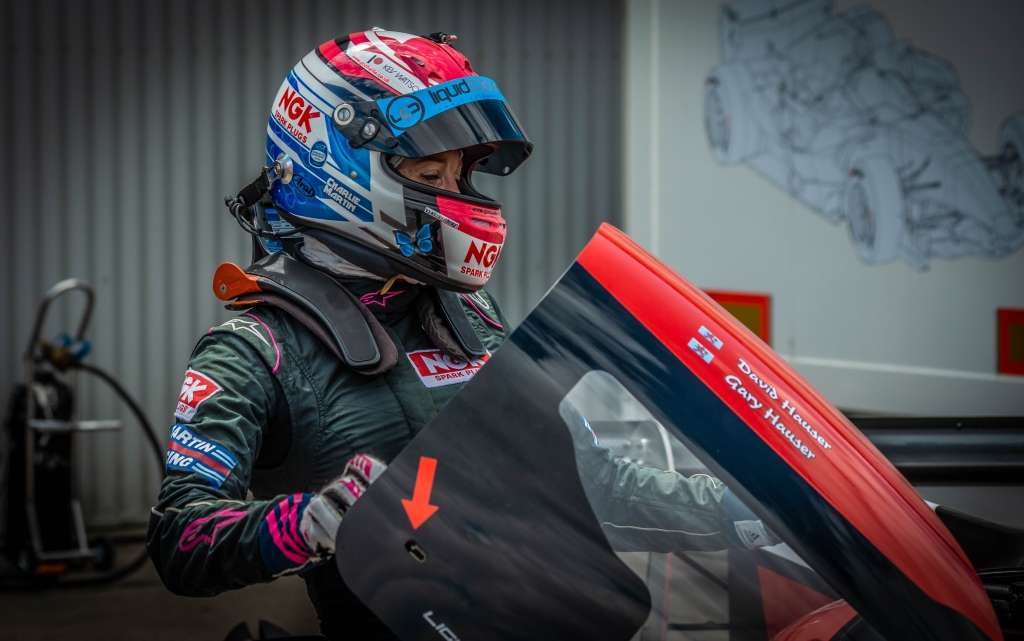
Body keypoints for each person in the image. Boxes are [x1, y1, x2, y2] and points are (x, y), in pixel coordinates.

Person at [146, 28, 774, 641]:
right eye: (429, 176)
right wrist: (302, 525)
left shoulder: (470, 316)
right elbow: (181, 537)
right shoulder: (254, 348)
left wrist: (743, 512)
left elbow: (589, 482)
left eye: (458, 177)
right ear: (334, 168)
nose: (454, 196)